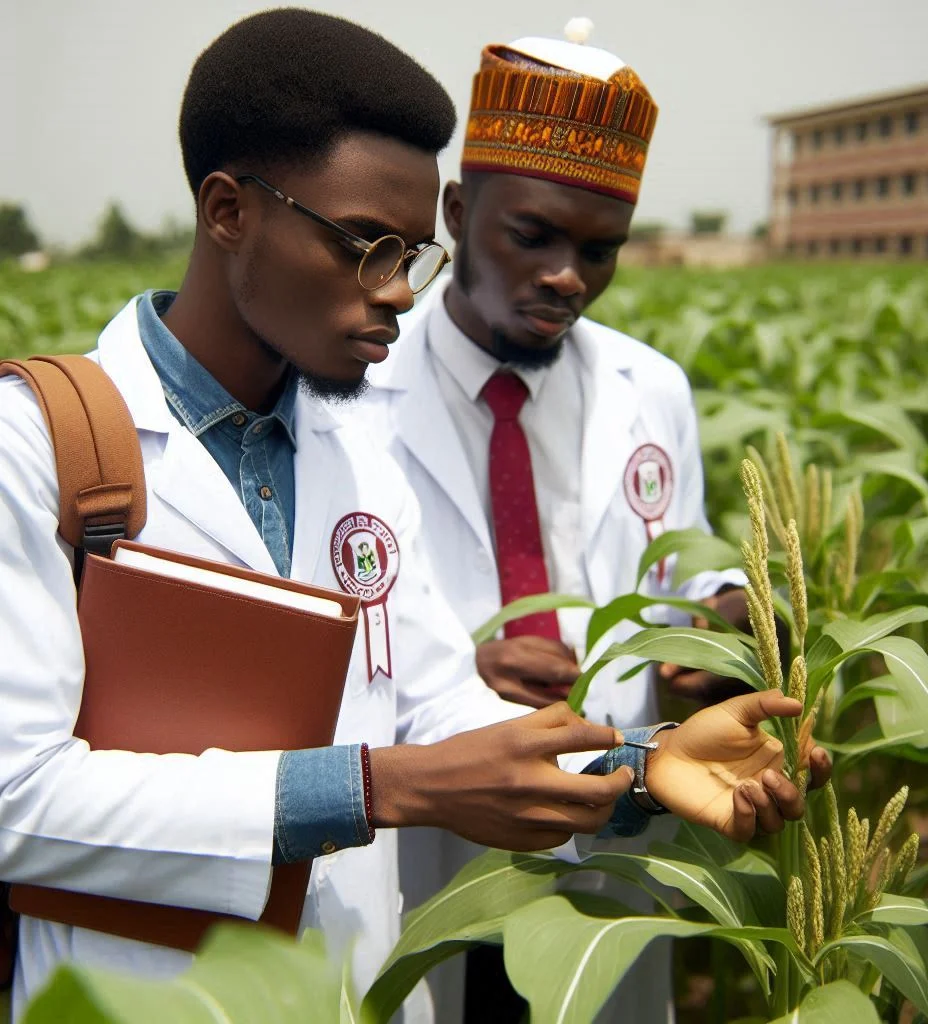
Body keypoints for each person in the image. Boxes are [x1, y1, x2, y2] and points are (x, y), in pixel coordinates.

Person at [0, 10, 829, 1023]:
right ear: (228, 211)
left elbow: (435, 704)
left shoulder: (354, 447)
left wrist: (641, 766)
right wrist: (372, 789)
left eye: (413, 257)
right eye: (366, 247)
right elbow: (16, 799)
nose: (398, 293)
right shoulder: (37, 446)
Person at [362, 28, 760, 1023]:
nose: (566, 276)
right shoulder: (354, 382)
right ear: (456, 212)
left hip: (619, 829)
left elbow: (678, 563)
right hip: (433, 841)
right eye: (531, 237)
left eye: (597, 250)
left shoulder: (650, 388)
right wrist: (460, 671)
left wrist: (713, 629)